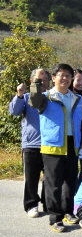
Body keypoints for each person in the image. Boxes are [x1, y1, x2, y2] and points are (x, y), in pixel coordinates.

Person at [29, 64, 82, 232]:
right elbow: (33, 101)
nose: (65, 78)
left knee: (71, 181)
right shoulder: (45, 97)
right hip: (53, 145)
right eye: (61, 75)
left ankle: (68, 212)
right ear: (54, 78)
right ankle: (55, 217)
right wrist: (36, 81)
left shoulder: (77, 99)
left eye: (68, 76)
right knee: (53, 183)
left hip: (73, 144)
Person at [9, 68, 49, 217]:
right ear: (32, 82)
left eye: (45, 80)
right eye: (39, 80)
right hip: (31, 144)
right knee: (31, 178)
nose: (43, 82)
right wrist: (19, 95)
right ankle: (31, 205)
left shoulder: (51, 96)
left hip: (50, 144)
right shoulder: (25, 97)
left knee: (50, 177)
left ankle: (47, 202)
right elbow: (14, 112)